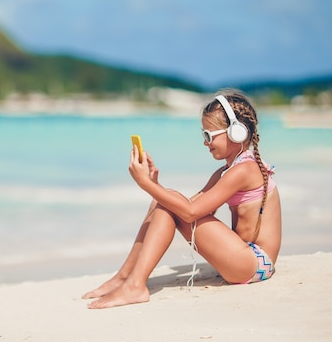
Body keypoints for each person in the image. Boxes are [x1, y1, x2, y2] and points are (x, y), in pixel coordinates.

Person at [84, 90, 282, 309]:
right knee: (165, 201)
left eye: (209, 135)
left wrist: (145, 184)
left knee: (170, 202)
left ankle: (134, 285)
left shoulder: (245, 170)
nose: (205, 143)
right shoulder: (225, 172)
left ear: (237, 132)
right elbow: (188, 207)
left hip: (255, 264)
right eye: (203, 135)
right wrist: (156, 186)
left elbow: (190, 212)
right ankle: (125, 277)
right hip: (242, 258)